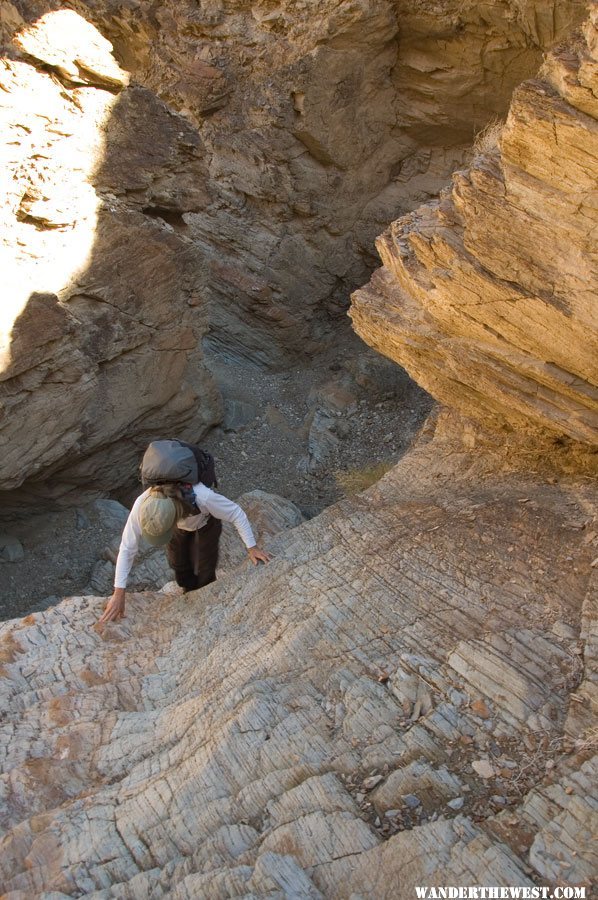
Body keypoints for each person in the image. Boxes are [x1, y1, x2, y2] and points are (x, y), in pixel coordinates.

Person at [99, 474, 270, 624]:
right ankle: (189, 592)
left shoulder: (203, 497)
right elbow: (128, 548)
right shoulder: (143, 506)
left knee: (206, 566)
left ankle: (207, 601)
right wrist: (119, 591)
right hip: (177, 528)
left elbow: (236, 513)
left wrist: (252, 547)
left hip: (205, 523)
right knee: (178, 564)